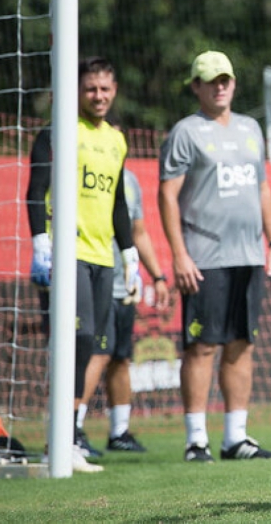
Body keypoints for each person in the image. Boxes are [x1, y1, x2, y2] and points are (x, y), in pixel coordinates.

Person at [158, 50, 271, 462]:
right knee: (202, 347)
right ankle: (197, 440)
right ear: (196, 86)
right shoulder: (186, 132)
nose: (220, 86)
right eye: (211, 80)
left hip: (248, 256)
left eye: (225, 78)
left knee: (241, 345)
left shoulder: (251, 128)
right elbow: (167, 195)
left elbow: (262, 189)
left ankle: (236, 438)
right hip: (204, 257)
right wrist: (179, 254)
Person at [27, 56, 140, 473]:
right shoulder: (56, 133)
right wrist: (41, 241)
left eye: (105, 89)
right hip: (66, 253)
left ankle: (68, 438)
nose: (99, 96)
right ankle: (57, 440)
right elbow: (35, 189)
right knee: (75, 342)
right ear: (77, 91)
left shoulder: (116, 139)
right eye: (91, 88)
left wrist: (130, 254)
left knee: (91, 345)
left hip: (100, 256)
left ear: (115, 92)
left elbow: (119, 203)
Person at [77, 167, 171, 455]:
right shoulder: (79, 167)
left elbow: (137, 231)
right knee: (96, 354)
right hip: (95, 280)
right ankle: (72, 429)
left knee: (120, 358)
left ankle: (119, 431)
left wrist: (156, 275)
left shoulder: (130, 180)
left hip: (125, 287)